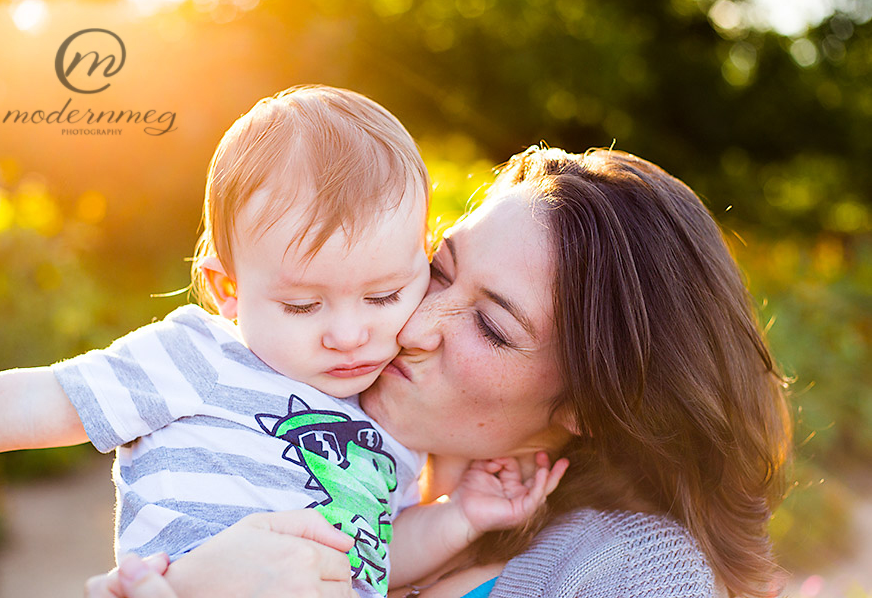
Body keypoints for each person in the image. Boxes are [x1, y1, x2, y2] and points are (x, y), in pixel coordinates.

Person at [87, 145, 792, 598]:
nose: (414, 328)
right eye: (439, 271)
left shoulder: (629, 574)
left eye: (491, 325)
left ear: (593, 406)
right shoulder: (314, 477)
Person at [0, 86, 566, 598]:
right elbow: (43, 401)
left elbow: (371, 563)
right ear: (228, 290)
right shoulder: (199, 357)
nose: (349, 335)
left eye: (385, 295)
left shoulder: (391, 423)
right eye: (303, 305)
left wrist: (458, 517)